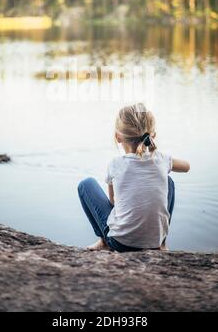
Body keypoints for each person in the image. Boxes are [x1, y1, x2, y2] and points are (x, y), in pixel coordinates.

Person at [78, 103, 190, 252]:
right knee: (168, 181)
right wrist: (161, 160)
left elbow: (113, 203)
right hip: (153, 242)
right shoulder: (162, 159)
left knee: (86, 184)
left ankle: (104, 241)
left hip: (120, 243)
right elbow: (186, 166)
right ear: (152, 136)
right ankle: (162, 244)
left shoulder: (115, 164)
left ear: (118, 137)